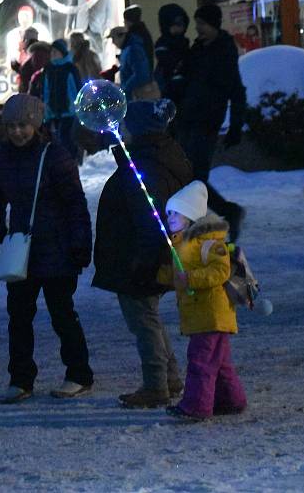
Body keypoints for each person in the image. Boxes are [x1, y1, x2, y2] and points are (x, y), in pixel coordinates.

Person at [0, 94, 94, 404]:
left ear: (36, 125)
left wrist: (80, 244)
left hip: (57, 248)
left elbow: (75, 204)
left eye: (23, 125)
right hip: (22, 249)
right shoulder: (4, 157)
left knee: (62, 313)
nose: (17, 132)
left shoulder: (55, 156)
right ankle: (20, 378)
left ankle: (78, 373)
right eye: (11, 126)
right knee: (18, 316)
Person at [93, 99, 193, 408]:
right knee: (150, 318)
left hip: (139, 259)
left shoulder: (144, 167)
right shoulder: (162, 155)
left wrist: (144, 262)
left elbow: (148, 219)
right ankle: (170, 377)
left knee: (144, 322)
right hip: (152, 256)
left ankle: (156, 385)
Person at [157, 181, 247, 420]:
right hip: (203, 314)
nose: (170, 218)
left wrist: (191, 279)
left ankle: (196, 406)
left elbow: (220, 272)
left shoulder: (210, 242)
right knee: (220, 362)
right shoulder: (181, 244)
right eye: (168, 213)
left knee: (201, 361)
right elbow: (178, 274)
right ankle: (231, 400)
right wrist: (161, 275)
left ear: (190, 215)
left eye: (176, 212)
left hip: (212, 313)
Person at [175, 4, 247, 241]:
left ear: (214, 25)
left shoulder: (224, 51)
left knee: (196, 178)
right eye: (197, 25)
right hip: (188, 118)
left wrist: (236, 125)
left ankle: (220, 216)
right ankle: (217, 216)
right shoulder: (198, 48)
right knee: (188, 177)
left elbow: (236, 90)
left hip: (207, 122)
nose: (199, 30)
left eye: (203, 25)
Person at [42, 39, 82, 161]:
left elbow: (77, 88)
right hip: (53, 109)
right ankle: (64, 159)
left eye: (55, 51)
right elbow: (46, 89)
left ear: (62, 52)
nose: (52, 54)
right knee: (56, 136)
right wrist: (46, 106)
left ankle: (71, 157)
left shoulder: (70, 68)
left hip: (68, 110)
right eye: (51, 51)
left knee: (65, 136)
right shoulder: (49, 69)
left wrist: (77, 106)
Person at [154, 4, 190, 103]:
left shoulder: (184, 43)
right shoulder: (162, 44)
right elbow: (167, 63)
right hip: (169, 89)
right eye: (176, 24)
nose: (179, 28)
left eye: (182, 24)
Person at [122, 4, 159, 101]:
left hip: (137, 93)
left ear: (127, 21)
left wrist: (124, 89)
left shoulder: (134, 40)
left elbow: (141, 73)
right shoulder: (144, 35)